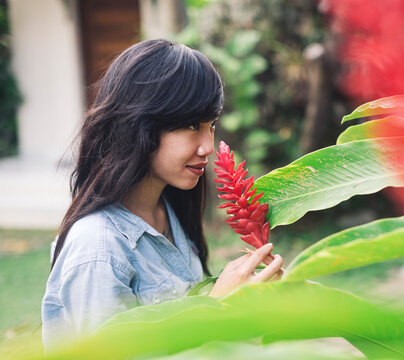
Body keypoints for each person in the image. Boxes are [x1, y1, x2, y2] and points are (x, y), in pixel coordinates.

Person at [41, 39, 283, 350]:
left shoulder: (168, 209)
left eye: (211, 125)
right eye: (192, 125)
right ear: (139, 123)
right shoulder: (98, 250)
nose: (207, 146)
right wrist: (215, 309)